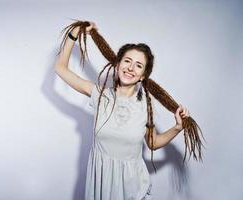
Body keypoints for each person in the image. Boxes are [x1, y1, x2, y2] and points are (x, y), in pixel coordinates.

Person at [54, 20, 204, 200]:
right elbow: (60, 68)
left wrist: (177, 128)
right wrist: (75, 33)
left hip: (132, 188)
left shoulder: (145, 106)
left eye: (138, 65)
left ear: (142, 76)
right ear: (117, 65)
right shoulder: (99, 95)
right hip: (101, 184)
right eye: (127, 61)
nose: (131, 68)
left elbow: (153, 143)